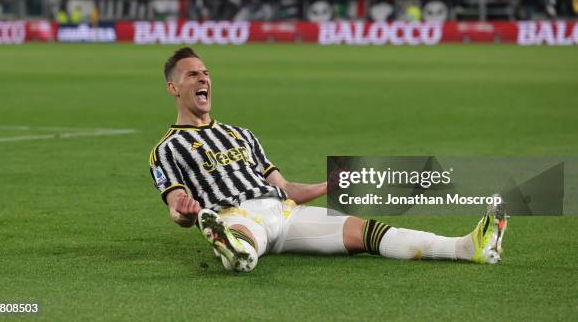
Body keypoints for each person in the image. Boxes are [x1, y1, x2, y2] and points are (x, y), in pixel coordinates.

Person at [148, 47, 508, 272]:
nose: (203, 78)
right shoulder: (165, 149)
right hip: (234, 214)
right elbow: (176, 210)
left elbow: (285, 188)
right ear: (173, 88)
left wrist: (327, 185)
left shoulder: (242, 135)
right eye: (192, 74)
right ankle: (232, 248)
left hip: (286, 215)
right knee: (242, 239)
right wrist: (185, 211)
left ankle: (467, 247)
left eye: (206, 72)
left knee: (368, 233)